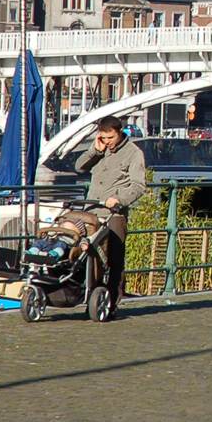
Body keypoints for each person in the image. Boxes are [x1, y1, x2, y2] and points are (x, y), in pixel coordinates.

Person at [74, 115, 147, 315]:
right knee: (86, 255)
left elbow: (139, 185)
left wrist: (120, 199)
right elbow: (78, 167)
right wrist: (94, 151)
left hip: (114, 214)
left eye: (110, 138)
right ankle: (89, 297)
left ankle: (111, 303)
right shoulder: (99, 149)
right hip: (91, 212)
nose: (107, 142)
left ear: (119, 132)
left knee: (115, 260)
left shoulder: (133, 153)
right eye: (103, 138)